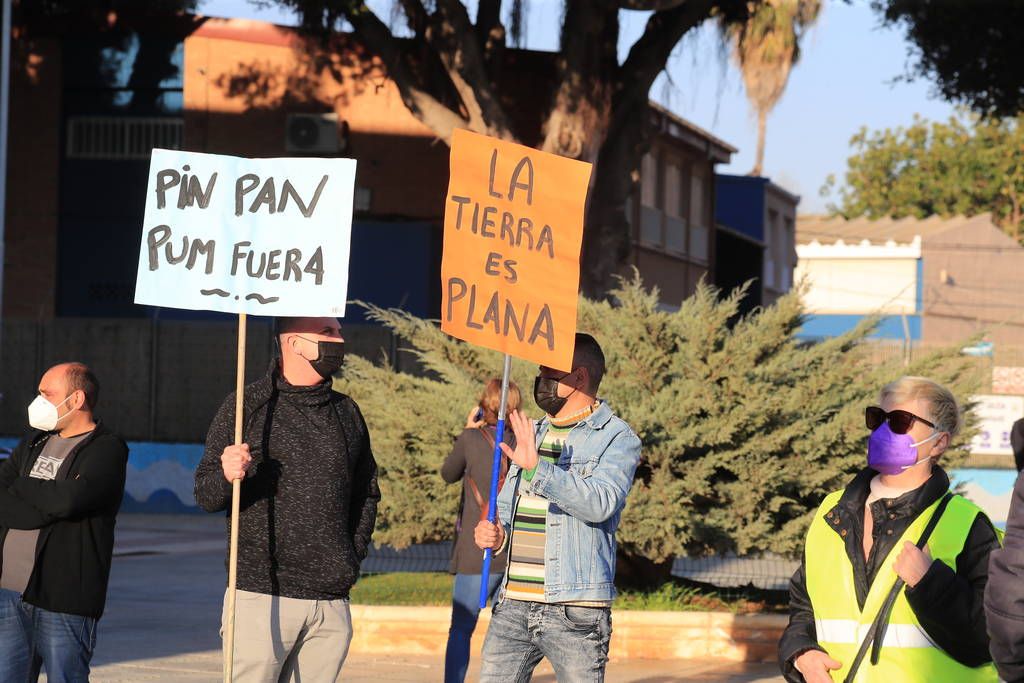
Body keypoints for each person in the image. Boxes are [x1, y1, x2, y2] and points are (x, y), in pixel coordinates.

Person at [194, 316, 380, 683]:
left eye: (339, 331)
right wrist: (229, 474)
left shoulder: (346, 412)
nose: (340, 338)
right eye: (328, 332)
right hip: (261, 595)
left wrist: (350, 556)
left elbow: (366, 492)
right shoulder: (246, 406)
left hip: (330, 600)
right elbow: (205, 493)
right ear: (294, 343)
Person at [778, 376, 1000, 682]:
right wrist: (801, 653)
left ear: (939, 441)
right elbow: (803, 607)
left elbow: (994, 639)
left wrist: (931, 584)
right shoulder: (831, 513)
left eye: (899, 420)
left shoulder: (968, 525)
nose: (883, 429)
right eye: (877, 418)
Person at [474, 333, 642, 682]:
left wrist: (539, 469)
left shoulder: (617, 437)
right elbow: (506, 510)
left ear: (579, 377)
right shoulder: (530, 432)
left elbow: (600, 502)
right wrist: (495, 534)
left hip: (575, 612)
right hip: (513, 604)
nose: (540, 378)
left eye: (549, 371)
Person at [0, 362, 128, 682]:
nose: (39, 400)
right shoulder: (34, 442)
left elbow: (69, 500)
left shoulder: (106, 448)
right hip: (10, 594)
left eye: (48, 393)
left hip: (65, 601)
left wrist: (23, 486)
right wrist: (46, 504)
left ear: (76, 400)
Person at [441, 378, 522, 683]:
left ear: (483, 405)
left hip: (475, 552)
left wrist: (465, 432)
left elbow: (448, 473)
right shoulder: (524, 443)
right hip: (512, 550)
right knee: (510, 636)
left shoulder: (469, 439)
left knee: (461, 629)